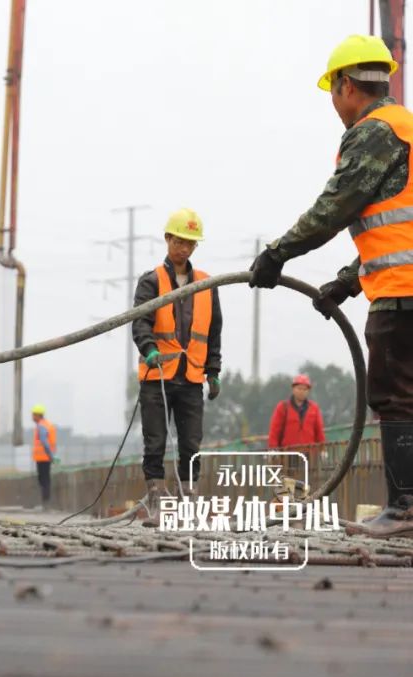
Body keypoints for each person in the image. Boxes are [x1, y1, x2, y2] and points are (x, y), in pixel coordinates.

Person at [248, 35, 413, 537]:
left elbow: (333, 208)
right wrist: (347, 282)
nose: (335, 107)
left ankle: (404, 509)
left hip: (403, 294)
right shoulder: (406, 128)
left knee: (396, 395)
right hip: (396, 281)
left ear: (346, 85)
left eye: (333, 94)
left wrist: (278, 253)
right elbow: (398, 225)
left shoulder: (373, 131)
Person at [133, 208, 223, 523]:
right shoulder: (151, 281)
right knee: (155, 441)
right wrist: (149, 348)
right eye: (179, 241)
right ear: (168, 239)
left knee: (190, 443)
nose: (184, 248)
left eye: (190, 243)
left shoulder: (207, 284)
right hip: (156, 376)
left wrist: (213, 371)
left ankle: (188, 502)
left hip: (191, 378)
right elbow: (140, 323)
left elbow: (213, 332)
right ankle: (157, 502)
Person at [268, 375, 326, 449]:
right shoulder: (283, 407)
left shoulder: (314, 408)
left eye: (305, 389)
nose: (302, 392)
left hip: (309, 454)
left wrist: (323, 449)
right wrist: (273, 449)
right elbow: (274, 431)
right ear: (293, 389)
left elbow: (319, 432)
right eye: (299, 388)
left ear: (308, 391)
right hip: (288, 453)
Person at [31, 404, 56, 509]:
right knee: (45, 480)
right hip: (44, 458)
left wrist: (50, 456)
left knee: (44, 480)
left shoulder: (42, 426)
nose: (32, 417)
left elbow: (45, 442)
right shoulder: (46, 424)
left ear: (38, 415)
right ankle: (45, 503)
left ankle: (46, 504)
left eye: (33, 415)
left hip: (44, 458)